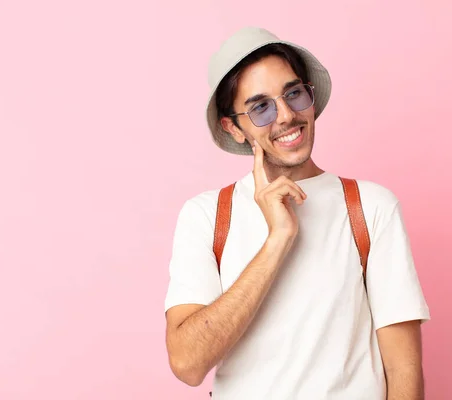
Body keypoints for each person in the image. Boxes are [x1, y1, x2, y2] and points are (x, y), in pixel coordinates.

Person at [163, 26, 431, 400]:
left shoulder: (370, 207)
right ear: (233, 127)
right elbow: (188, 364)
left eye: (293, 94)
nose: (287, 115)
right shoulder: (207, 217)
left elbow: (403, 370)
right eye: (261, 107)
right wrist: (278, 239)